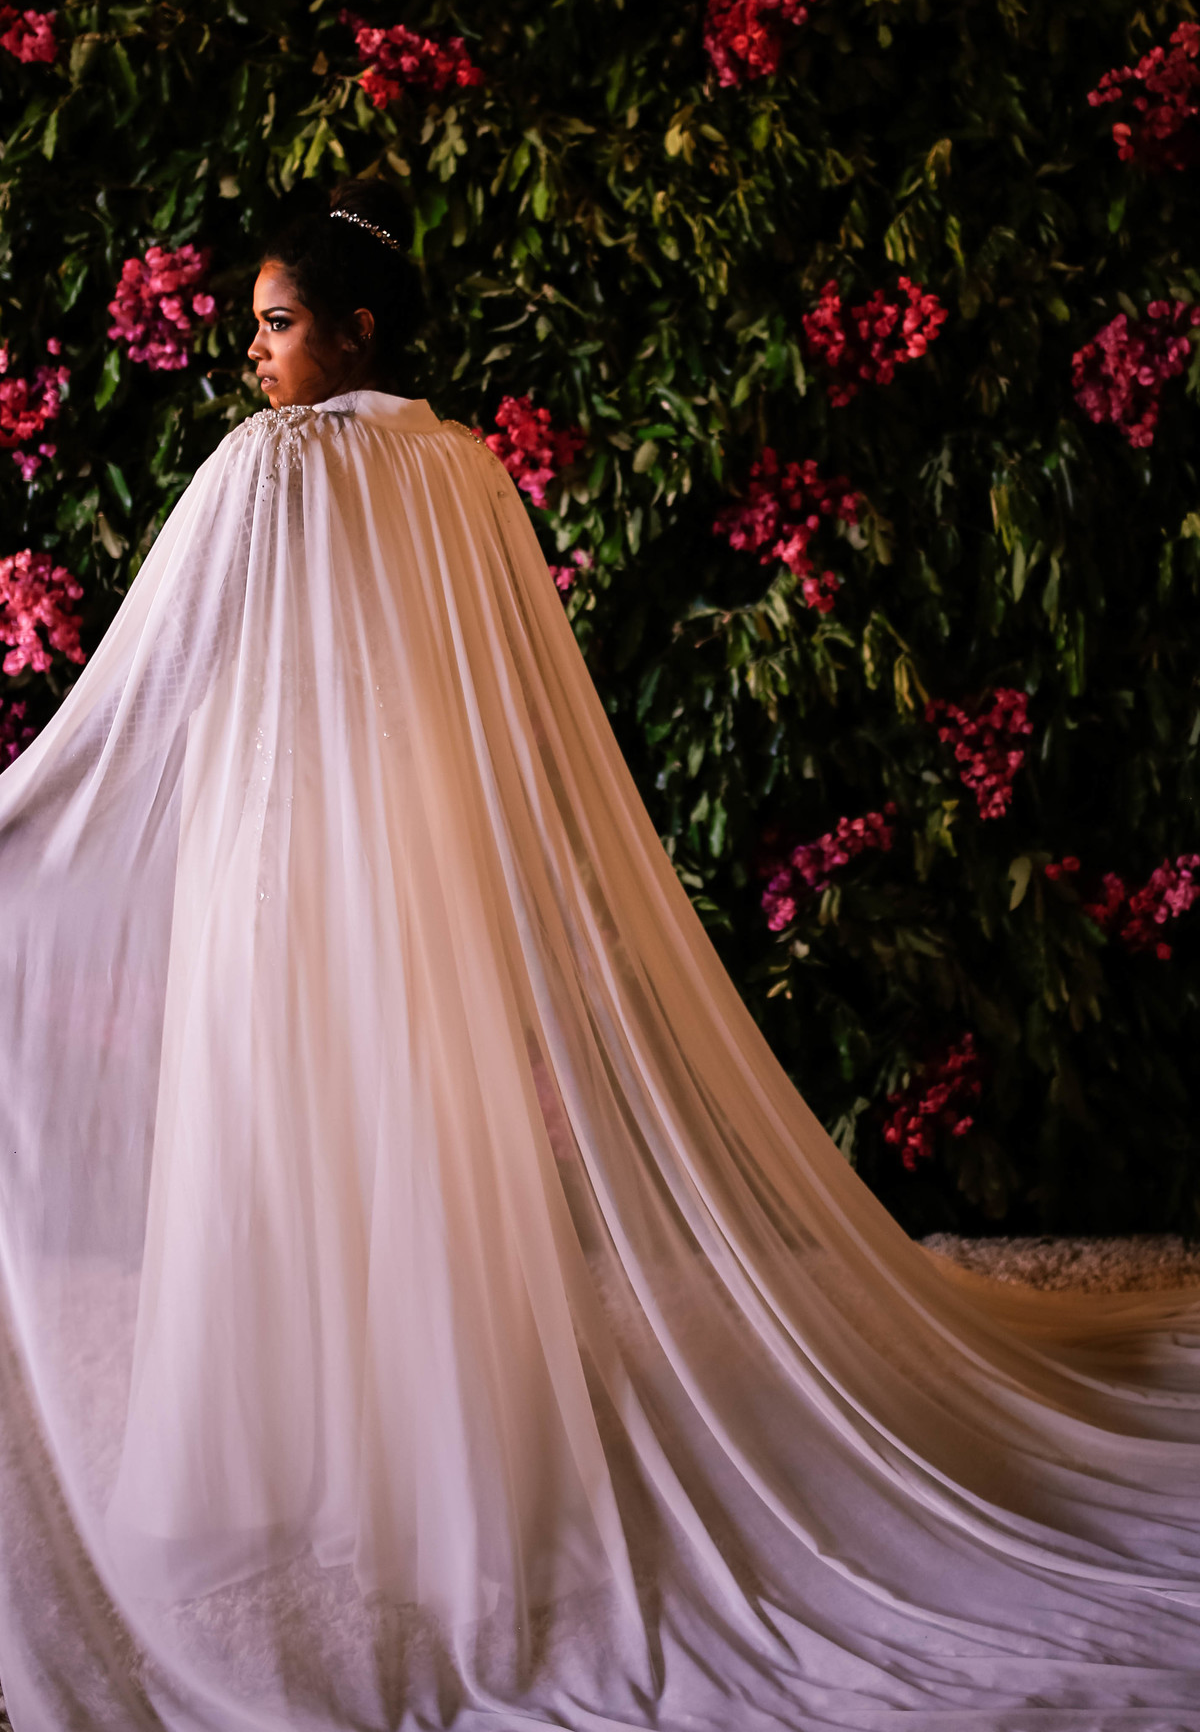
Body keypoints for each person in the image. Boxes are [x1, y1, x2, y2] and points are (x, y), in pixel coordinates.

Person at [0, 178, 1198, 1732]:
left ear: (356, 330)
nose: (255, 361)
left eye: (278, 328)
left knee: (274, 1116)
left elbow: (140, 698)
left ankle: (273, 1444)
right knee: (410, 1117)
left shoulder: (269, 470)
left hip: (281, 837)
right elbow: (507, 702)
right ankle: (447, 1444)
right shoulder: (468, 472)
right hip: (416, 847)